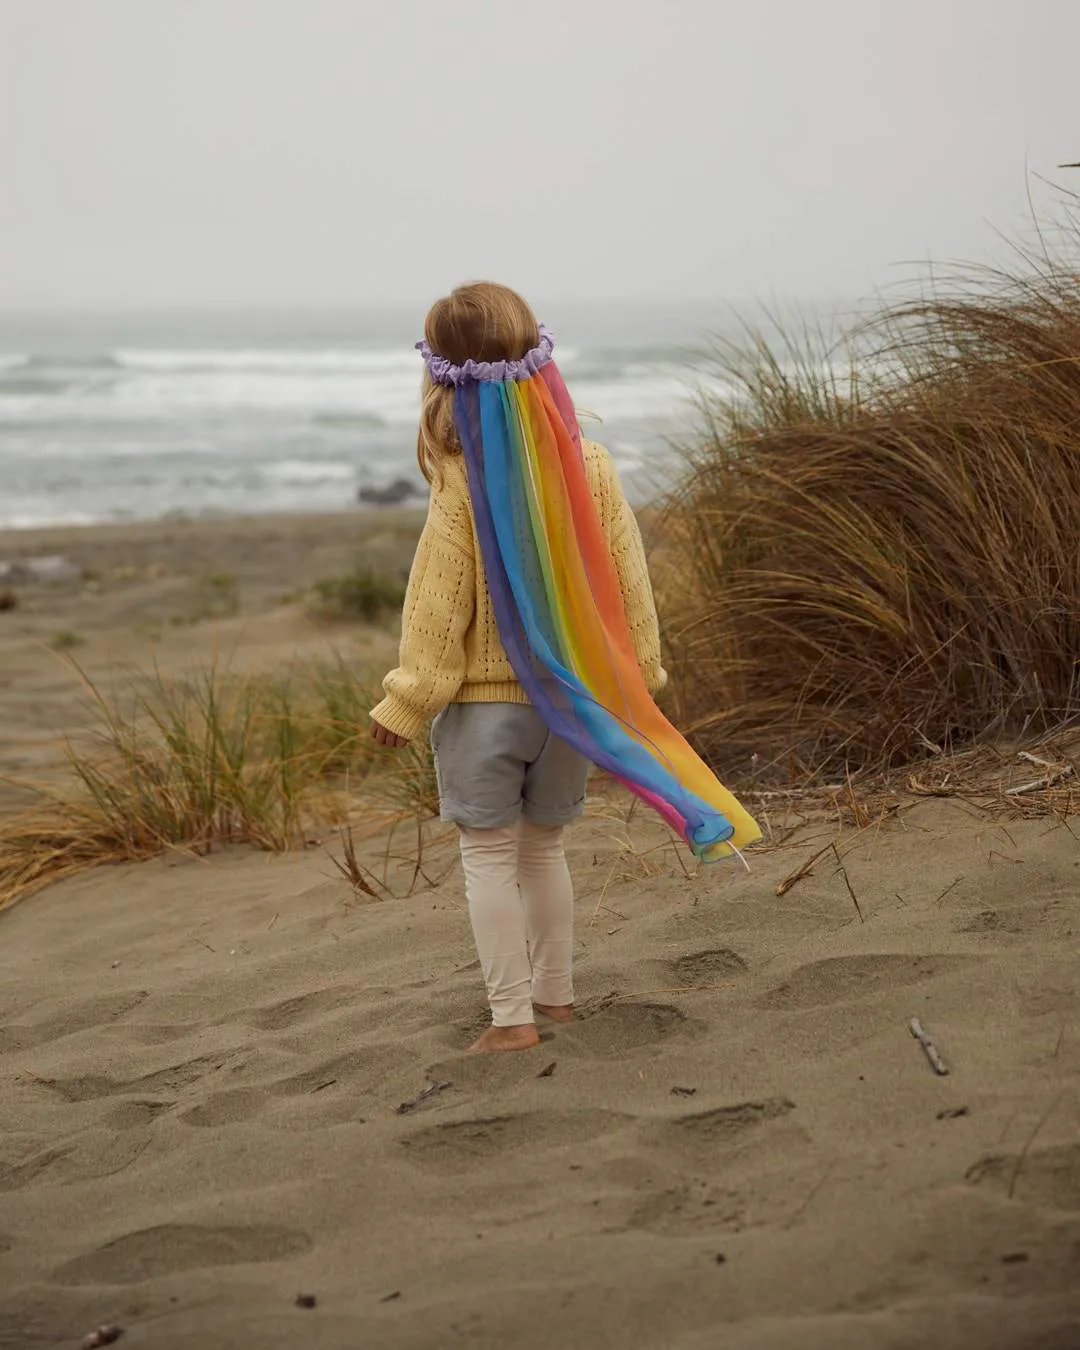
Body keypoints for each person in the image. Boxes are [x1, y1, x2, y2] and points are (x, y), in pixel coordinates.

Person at [370, 282, 759, 1053]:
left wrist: (408, 700)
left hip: (484, 708)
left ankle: (511, 1020)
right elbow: (627, 575)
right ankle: (556, 1000)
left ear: (440, 376)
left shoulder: (459, 478)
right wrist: (638, 673)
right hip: (572, 705)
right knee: (543, 847)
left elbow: (438, 604)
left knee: (488, 855)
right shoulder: (593, 464)